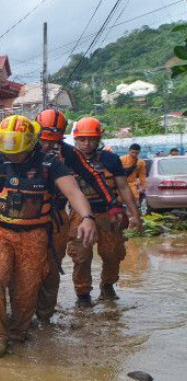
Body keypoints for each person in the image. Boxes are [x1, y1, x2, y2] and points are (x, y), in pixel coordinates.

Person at [0, 115, 97, 358]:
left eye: (17, 152)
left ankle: (19, 332)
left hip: (36, 235)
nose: (12, 156)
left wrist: (87, 217)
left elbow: (73, 192)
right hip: (1, 232)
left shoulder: (50, 164)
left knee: (26, 290)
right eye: (8, 151)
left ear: (31, 144)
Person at [61, 117, 142, 305]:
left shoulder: (110, 159)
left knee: (113, 253)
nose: (86, 144)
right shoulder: (68, 161)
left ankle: (107, 286)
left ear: (98, 139)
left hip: (109, 213)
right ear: (75, 139)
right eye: (82, 139)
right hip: (80, 215)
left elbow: (123, 188)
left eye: (91, 139)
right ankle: (83, 295)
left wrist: (135, 215)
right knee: (81, 256)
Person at [33, 109, 71, 323]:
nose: (46, 146)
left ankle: (45, 316)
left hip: (55, 217)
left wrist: (112, 205)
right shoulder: (22, 149)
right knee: (23, 266)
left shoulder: (68, 154)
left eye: (52, 142)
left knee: (51, 267)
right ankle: (22, 313)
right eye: (43, 141)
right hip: (24, 218)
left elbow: (88, 178)